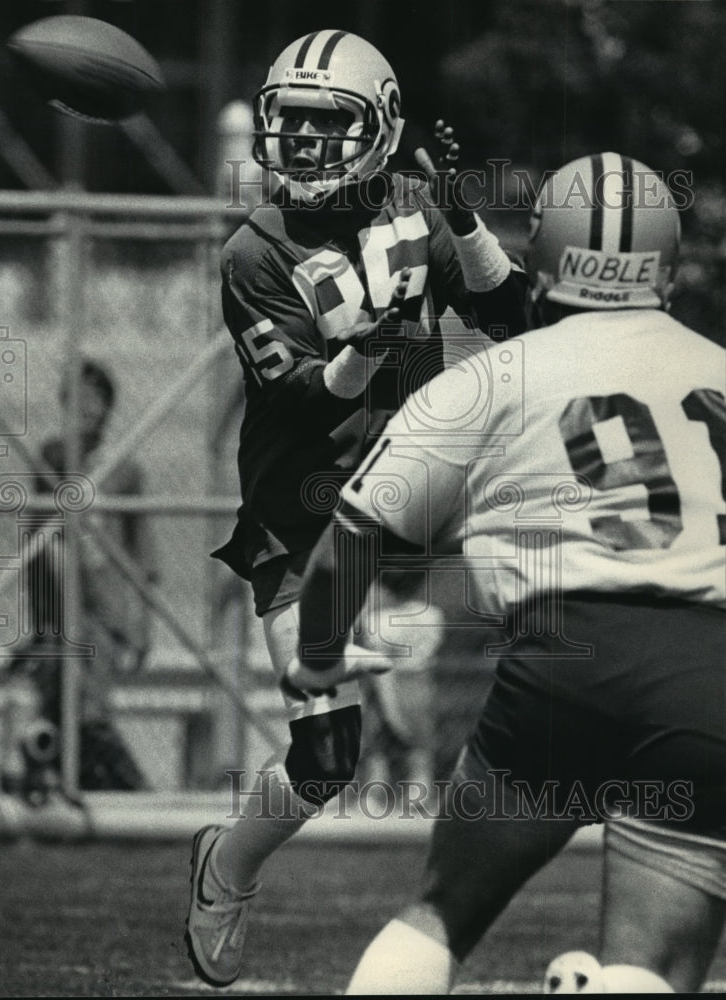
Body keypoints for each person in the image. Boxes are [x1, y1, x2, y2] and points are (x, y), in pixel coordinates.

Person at [286, 152, 726, 993]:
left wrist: (315, 663)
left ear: (542, 254)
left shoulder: (489, 379)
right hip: (709, 667)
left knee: (440, 913)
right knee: (651, 964)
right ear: (667, 270)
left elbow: (348, 544)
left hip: (565, 661)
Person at [186, 28, 528, 987]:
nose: (298, 141)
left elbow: (516, 318)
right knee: (326, 755)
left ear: (379, 130)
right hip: (301, 519)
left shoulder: (414, 212)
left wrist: (464, 226)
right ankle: (229, 864)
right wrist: (372, 347)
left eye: (321, 123)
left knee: (542, 654)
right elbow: (299, 393)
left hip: (415, 500)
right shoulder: (254, 249)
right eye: (286, 121)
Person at [0, 357, 157, 798]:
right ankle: (76, 786)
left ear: (108, 407)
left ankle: (123, 793)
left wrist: (143, 625)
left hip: (103, 611)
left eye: (95, 400)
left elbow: (144, 556)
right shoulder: (51, 460)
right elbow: (36, 544)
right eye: (76, 400)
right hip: (59, 611)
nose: (85, 409)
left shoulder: (123, 469)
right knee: (53, 697)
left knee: (89, 706)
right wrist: (39, 616)